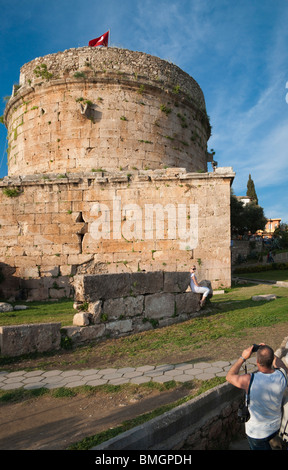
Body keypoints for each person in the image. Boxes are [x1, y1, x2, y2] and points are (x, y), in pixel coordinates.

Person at [226, 343, 288, 450]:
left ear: (257, 362)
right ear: (271, 359)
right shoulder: (282, 375)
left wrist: (243, 357)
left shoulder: (250, 380)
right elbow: (281, 365)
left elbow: (229, 376)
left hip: (256, 432)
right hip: (274, 426)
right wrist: (270, 352)